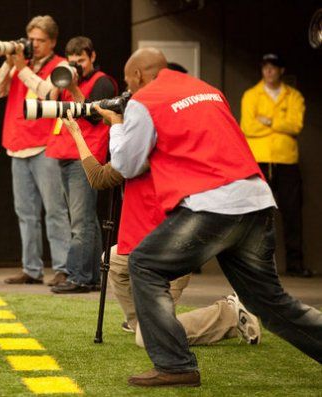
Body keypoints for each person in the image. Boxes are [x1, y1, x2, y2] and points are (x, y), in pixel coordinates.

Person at [97, 47, 322, 387]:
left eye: (129, 84)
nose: (129, 92)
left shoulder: (148, 99)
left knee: (144, 263)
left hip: (212, 204)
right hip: (256, 199)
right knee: (270, 301)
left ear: (139, 76)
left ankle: (175, 366)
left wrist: (116, 126)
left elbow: (127, 165)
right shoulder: (208, 90)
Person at [61, 107, 261, 348]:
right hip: (149, 246)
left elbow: (99, 177)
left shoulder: (149, 154)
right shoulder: (146, 149)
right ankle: (139, 322)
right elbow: (103, 174)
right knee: (112, 260)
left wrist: (87, 131)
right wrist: (91, 124)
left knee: (149, 339)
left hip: (172, 252)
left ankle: (228, 314)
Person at [0, 15, 71, 286]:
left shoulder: (61, 66)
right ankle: (31, 269)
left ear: (53, 42)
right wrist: (9, 63)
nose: (34, 45)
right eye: (31, 39)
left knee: (55, 211)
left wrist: (23, 69)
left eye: (40, 41)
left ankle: (63, 268)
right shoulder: (18, 66)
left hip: (46, 146)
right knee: (26, 214)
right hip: (17, 146)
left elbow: (50, 94)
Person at [45, 36, 118, 294]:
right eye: (72, 62)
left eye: (82, 61)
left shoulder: (103, 83)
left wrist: (74, 87)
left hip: (85, 157)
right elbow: (50, 104)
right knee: (87, 220)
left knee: (81, 221)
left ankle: (79, 276)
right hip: (66, 154)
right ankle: (95, 276)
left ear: (93, 57)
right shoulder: (66, 79)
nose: (77, 66)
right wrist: (59, 83)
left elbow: (96, 116)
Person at [240, 53, 311, 277]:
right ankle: (254, 264)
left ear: (281, 70)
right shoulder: (251, 95)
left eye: (274, 67)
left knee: (292, 213)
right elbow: (248, 127)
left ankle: (295, 265)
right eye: (265, 67)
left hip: (286, 160)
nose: (269, 71)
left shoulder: (294, 96)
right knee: (257, 213)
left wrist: (268, 121)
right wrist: (280, 124)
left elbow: (296, 125)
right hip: (259, 159)